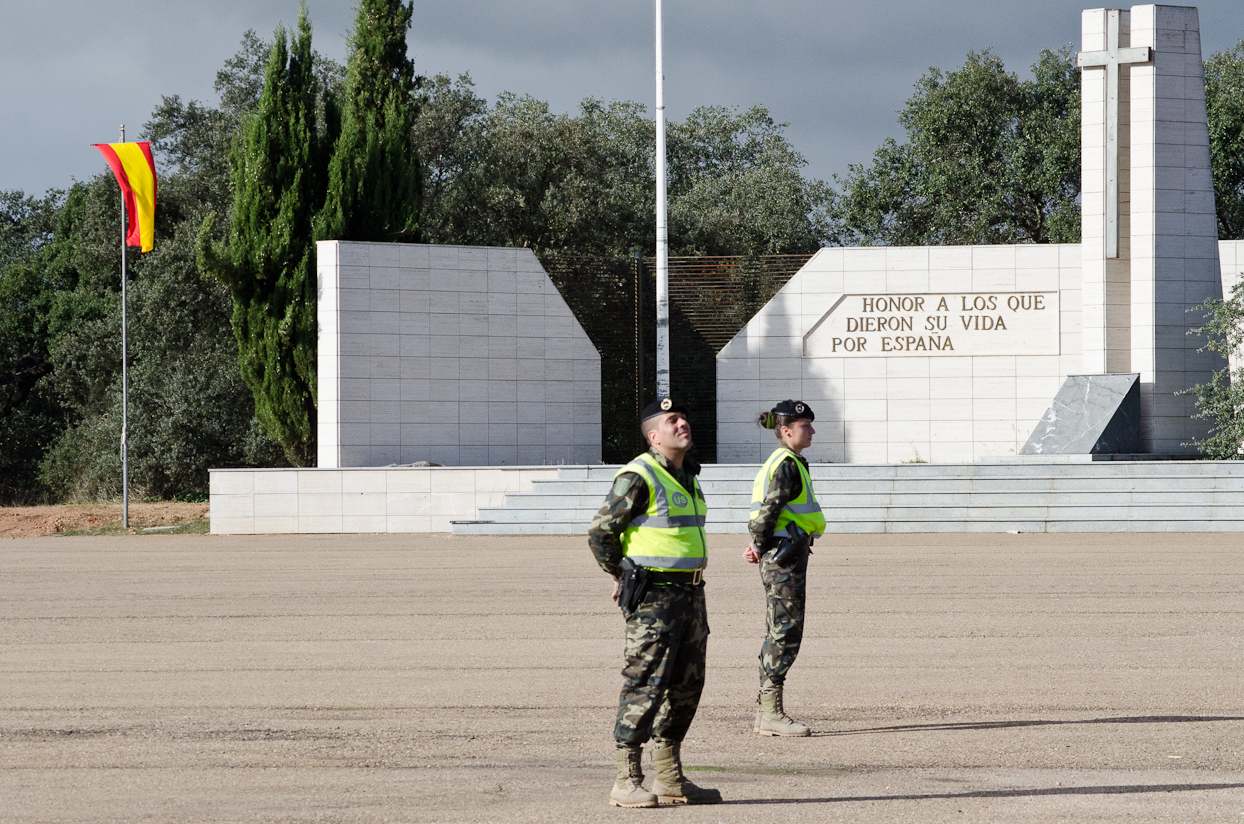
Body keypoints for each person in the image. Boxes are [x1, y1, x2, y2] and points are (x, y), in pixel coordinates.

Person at [588, 398, 721, 808]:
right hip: (654, 596)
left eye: (684, 416)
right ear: (653, 435)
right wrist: (622, 575)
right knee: (644, 684)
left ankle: (669, 776)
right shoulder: (638, 476)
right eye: (672, 420)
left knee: (686, 685)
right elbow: (600, 533)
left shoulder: (688, 475)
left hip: (691, 593)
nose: (683, 423)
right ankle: (626, 778)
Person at [742, 399, 826, 737]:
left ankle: (767, 714)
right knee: (785, 632)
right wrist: (760, 545)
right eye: (806, 426)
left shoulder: (784, 461)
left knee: (780, 628)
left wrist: (758, 546)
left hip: (781, 551)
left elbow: (769, 514)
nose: (812, 431)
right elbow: (768, 511)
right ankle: (771, 713)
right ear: (787, 430)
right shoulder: (787, 464)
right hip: (785, 556)